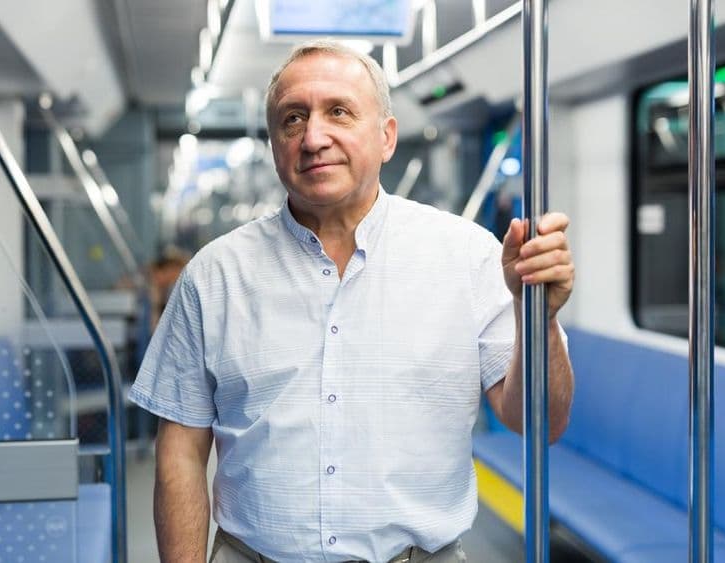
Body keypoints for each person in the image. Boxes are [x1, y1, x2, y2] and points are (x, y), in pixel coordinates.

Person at [130, 39, 575, 563]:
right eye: (293, 118)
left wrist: (539, 319)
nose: (313, 138)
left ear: (387, 137)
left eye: (339, 112)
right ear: (274, 144)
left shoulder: (469, 257)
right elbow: (181, 451)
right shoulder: (214, 275)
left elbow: (540, 423)